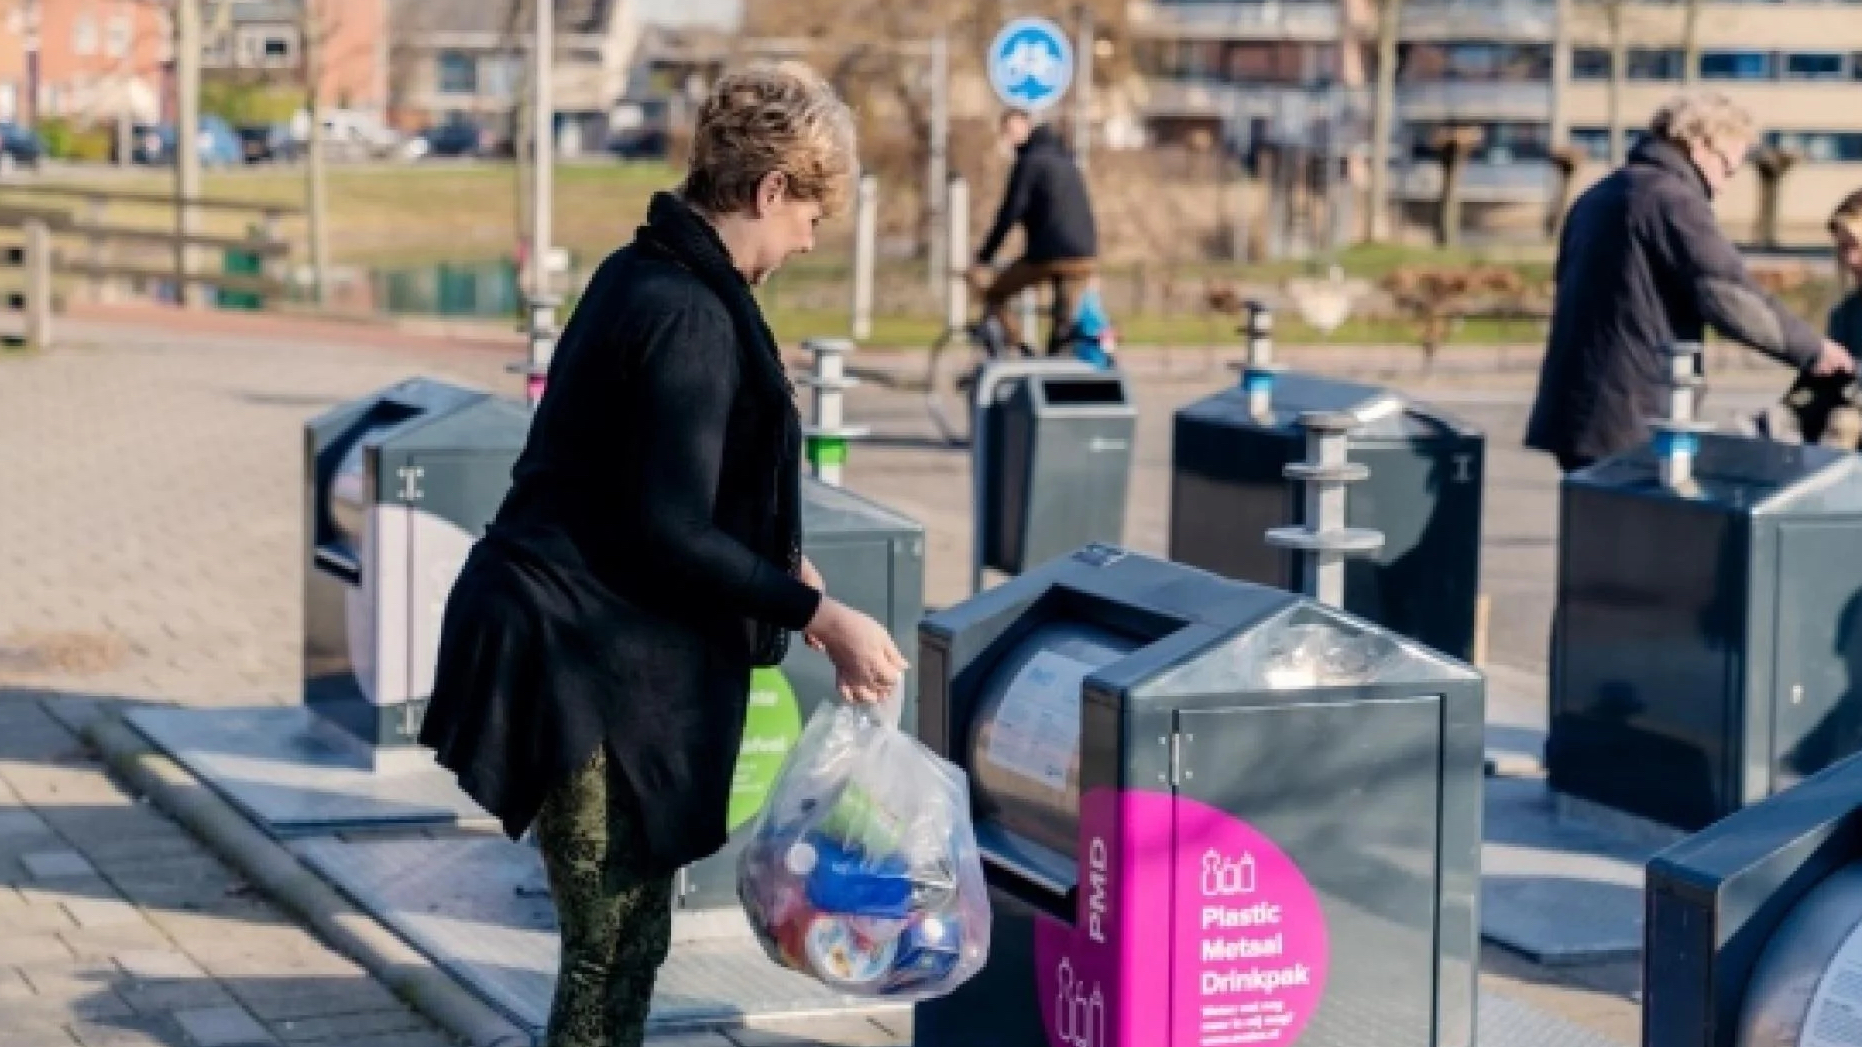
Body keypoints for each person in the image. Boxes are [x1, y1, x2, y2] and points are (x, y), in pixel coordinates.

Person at [416, 63, 907, 1047]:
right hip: (578, 661)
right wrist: (822, 615)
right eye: (810, 218)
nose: (809, 243)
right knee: (610, 953)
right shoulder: (686, 309)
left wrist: (782, 571)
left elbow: (642, 483)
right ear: (770, 189)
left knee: (623, 942)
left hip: (574, 637)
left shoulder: (643, 273)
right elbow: (664, 528)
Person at [1525, 90, 1856, 475]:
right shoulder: (1671, 199)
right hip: (1632, 413)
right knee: (1645, 532)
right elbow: (1728, 293)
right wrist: (1813, 350)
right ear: (1701, 144)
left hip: (1577, 409)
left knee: (1596, 529)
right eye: (1727, 168)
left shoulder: (1598, 196)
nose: (1723, 185)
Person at [969, 108, 1099, 356]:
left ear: (1027, 127)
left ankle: (1021, 347)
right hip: (1085, 254)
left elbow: (1009, 213)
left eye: (1011, 130)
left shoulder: (1029, 163)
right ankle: (1056, 366)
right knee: (1063, 323)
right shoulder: (1065, 159)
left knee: (994, 294)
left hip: (1049, 255)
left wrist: (985, 255)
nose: (1008, 137)